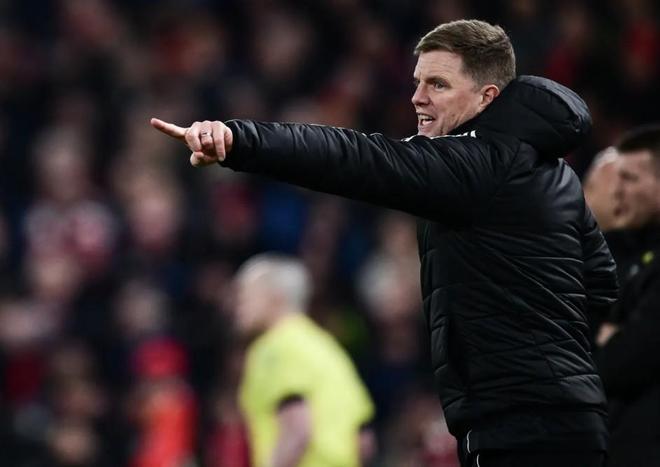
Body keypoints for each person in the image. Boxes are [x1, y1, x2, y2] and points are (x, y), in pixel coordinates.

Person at [151, 19, 618, 467]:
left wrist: (241, 140)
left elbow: (355, 158)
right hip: (563, 417)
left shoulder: (474, 166)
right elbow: (602, 289)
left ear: (486, 96)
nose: (417, 97)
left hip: (521, 423)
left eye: (437, 84)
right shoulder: (554, 174)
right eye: (417, 82)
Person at [233, 254, 375, 467]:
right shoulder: (328, 348)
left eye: (245, 294)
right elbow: (364, 442)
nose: (238, 304)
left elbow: (296, 430)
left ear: (276, 296)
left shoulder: (276, 347)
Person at [592, 125, 660, 467]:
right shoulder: (634, 256)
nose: (617, 191)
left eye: (630, 179)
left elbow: (619, 364)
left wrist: (610, 342)